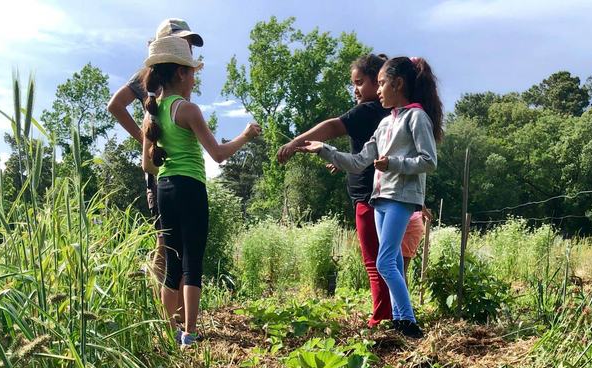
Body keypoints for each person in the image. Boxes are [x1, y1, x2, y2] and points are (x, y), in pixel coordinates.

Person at [301, 57, 443, 339]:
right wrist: (325, 150)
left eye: (381, 84)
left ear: (398, 84)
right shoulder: (384, 124)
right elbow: (358, 162)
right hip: (379, 199)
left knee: (384, 262)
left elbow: (429, 161)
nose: (377, 91)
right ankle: (400, 320)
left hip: (401, 198)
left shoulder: (417, 118)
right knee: (390, 262)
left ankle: (409, 322)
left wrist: (393, 163)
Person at [141, 36, 261, 347]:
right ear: (181, 73)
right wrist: (246, 135)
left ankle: (170, 332)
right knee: (193, 261)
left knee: (173, 263)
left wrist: (168, 163)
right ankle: (190, 334)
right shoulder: (188, 110)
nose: (195, 79)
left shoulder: (151, 112)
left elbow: (147, 164)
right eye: (193, 72)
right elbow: (218, 154)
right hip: (190, 187)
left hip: (164, 188)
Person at [276, 54, 392, 328]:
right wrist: (340, 163)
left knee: (374, 261)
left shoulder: (367, 110)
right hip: (384, 194)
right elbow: (368, 155)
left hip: (368, 198)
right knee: (387, 260)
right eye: (353, 84)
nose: (355, 90)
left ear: (376, 81)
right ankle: (394, 313)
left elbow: (331, 126)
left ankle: (381, 317)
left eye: (359, 83)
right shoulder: (387, 113)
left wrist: (295, 142)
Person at [108, 19, 203, 304]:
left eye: (189, 43)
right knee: (167, 243)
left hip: (182, 166)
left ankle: (180, 316)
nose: (189, 47)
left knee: (184, 246)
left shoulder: (180, 74)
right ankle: (166, 317)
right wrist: (147, 142)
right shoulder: (148, 76)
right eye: (183, 40)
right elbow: (115, 105)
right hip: (159, 170)